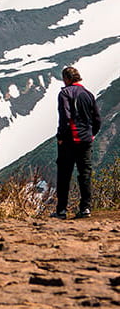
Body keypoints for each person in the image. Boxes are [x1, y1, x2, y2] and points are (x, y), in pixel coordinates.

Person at [54, 66, 101, 219]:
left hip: (69, 140)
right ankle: (85, 208)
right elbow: (97, 120)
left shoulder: (65, 93)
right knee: (85, 174)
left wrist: (61, 136)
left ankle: (61, 211)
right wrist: (91, 134)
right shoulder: (88, 95)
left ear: (66, 79)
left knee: (64, 175)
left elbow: (65, 118)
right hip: (85, 140)